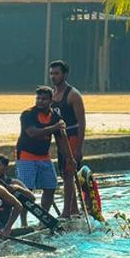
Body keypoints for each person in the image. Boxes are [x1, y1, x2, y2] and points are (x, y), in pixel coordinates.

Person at [16, 86, 66, 218]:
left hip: (44, 157)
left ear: (51, 100)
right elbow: (32, 132)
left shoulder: (55, 116)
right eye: (38, 98)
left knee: (50, 187)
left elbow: (60, 139)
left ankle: (43, 218)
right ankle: (23, 221)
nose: (40, 101)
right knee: (26, 190)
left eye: (44, 99)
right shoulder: (28, 114)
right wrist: (54, 127)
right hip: (26, 156)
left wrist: (68, 158)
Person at [49, 60, 86, 216]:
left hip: (71, 137)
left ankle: (66, 212)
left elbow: (82, 123)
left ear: (64, 74)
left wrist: (79, 148)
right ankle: (75, 209)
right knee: (65, 175)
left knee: (69, 175)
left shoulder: (73, 95)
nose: (53, 77)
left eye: (57, 73)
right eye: (51, 74)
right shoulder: (51, 95)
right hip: (60, 140)